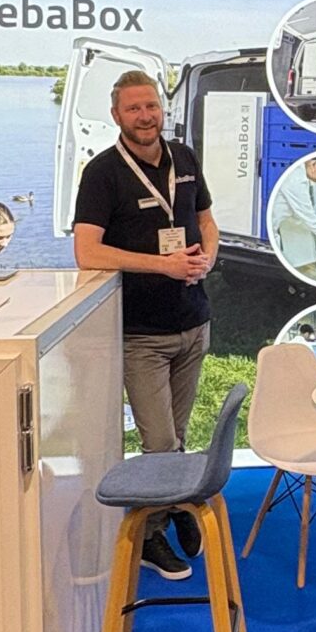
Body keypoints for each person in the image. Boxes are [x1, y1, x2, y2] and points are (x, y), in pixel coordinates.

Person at [71, 71, 218, 580]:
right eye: (133, 108)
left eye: (151, 106)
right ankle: (150, 533)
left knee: (177, 434)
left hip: (193, 322)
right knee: (158, 443)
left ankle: (175, 507)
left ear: (162, 109)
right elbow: (87, 252)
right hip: (142, 334)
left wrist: (207, 258)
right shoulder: (102, 173)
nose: (145, 116)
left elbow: (206, 220)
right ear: (116, 115)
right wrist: (164, 266)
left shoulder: (184, 158)